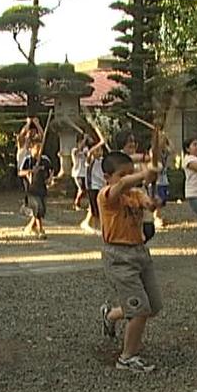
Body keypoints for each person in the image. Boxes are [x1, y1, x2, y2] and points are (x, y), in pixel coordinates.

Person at [97, 151, 162, 373]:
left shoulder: (134, 194)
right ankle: (127, 357)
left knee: (152, 305)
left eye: (130, 173)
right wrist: (145, 172)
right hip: (119, 257)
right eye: (122, 174)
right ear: (107, 177)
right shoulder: (106, 196)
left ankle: (110, 314)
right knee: (140, 311)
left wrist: (152, 199)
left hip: (140, 253)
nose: (128, 178)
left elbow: (148, 204)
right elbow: (124, 184)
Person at [115, 130, 156, 243]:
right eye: (129, 141)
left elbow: (147, 178)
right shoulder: (117, 158)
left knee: (148, 228)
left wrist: (153, 169)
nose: (132, 144)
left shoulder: (140, 159)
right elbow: (127, 160)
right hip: (125, 194)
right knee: (131, 224)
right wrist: (144, 157)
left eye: (133, 141)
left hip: (141, 192)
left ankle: (138, 245)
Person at [19, 139, 53, 239]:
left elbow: (51, 169)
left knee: (41, 210)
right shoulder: (28, 160)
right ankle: (41, 230)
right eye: (37, 148)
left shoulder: (45, 159)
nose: (39, 150)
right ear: (31, 148)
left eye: (40, 147)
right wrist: (29, 172)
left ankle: (30, 227)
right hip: (31, 190)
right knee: (38, 207)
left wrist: (50, 178)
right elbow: (20, 172)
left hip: (42, 189)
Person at [17, 117, 43, 217]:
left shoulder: (34, 146)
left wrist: (37, 124)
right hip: (23, 171)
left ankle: (30, 207)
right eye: (29, 132)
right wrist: (28, 124)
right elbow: (21, 135)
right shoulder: (22, 145)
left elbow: (42, 137)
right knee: (28, 189)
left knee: (33, 190)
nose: (30, 134)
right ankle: (28, 206)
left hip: (32, 170)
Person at [80, 135, 106, 234]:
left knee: (98, 207)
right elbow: (90, 152)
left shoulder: (103, 161)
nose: (99, 152)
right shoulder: (90, 160)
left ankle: (88, 223)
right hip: (92, 186)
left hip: (101, 186)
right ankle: (96, 226)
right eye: (97, 150)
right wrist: (101, 142)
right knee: (95, 208)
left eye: (100, 150)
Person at [153, 132, 174, 229]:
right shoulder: (154, 151)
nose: (162, 141)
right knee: (158, 200)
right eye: (161, 139)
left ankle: (158, 216)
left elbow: (173, 150)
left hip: (164, 179)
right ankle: (156, 218)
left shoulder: (165, 151)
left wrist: (168, 137)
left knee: (163, 199)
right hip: (156, 181)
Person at [71, 133, 91, 211]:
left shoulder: (86, 149)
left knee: (86, 190)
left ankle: (79, 203)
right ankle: (76, 203)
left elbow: (88, 155)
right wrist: (84, 139)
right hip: (77, 173)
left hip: (85, 173)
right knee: (82, 189)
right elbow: (78, 149)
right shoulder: (74, 150)